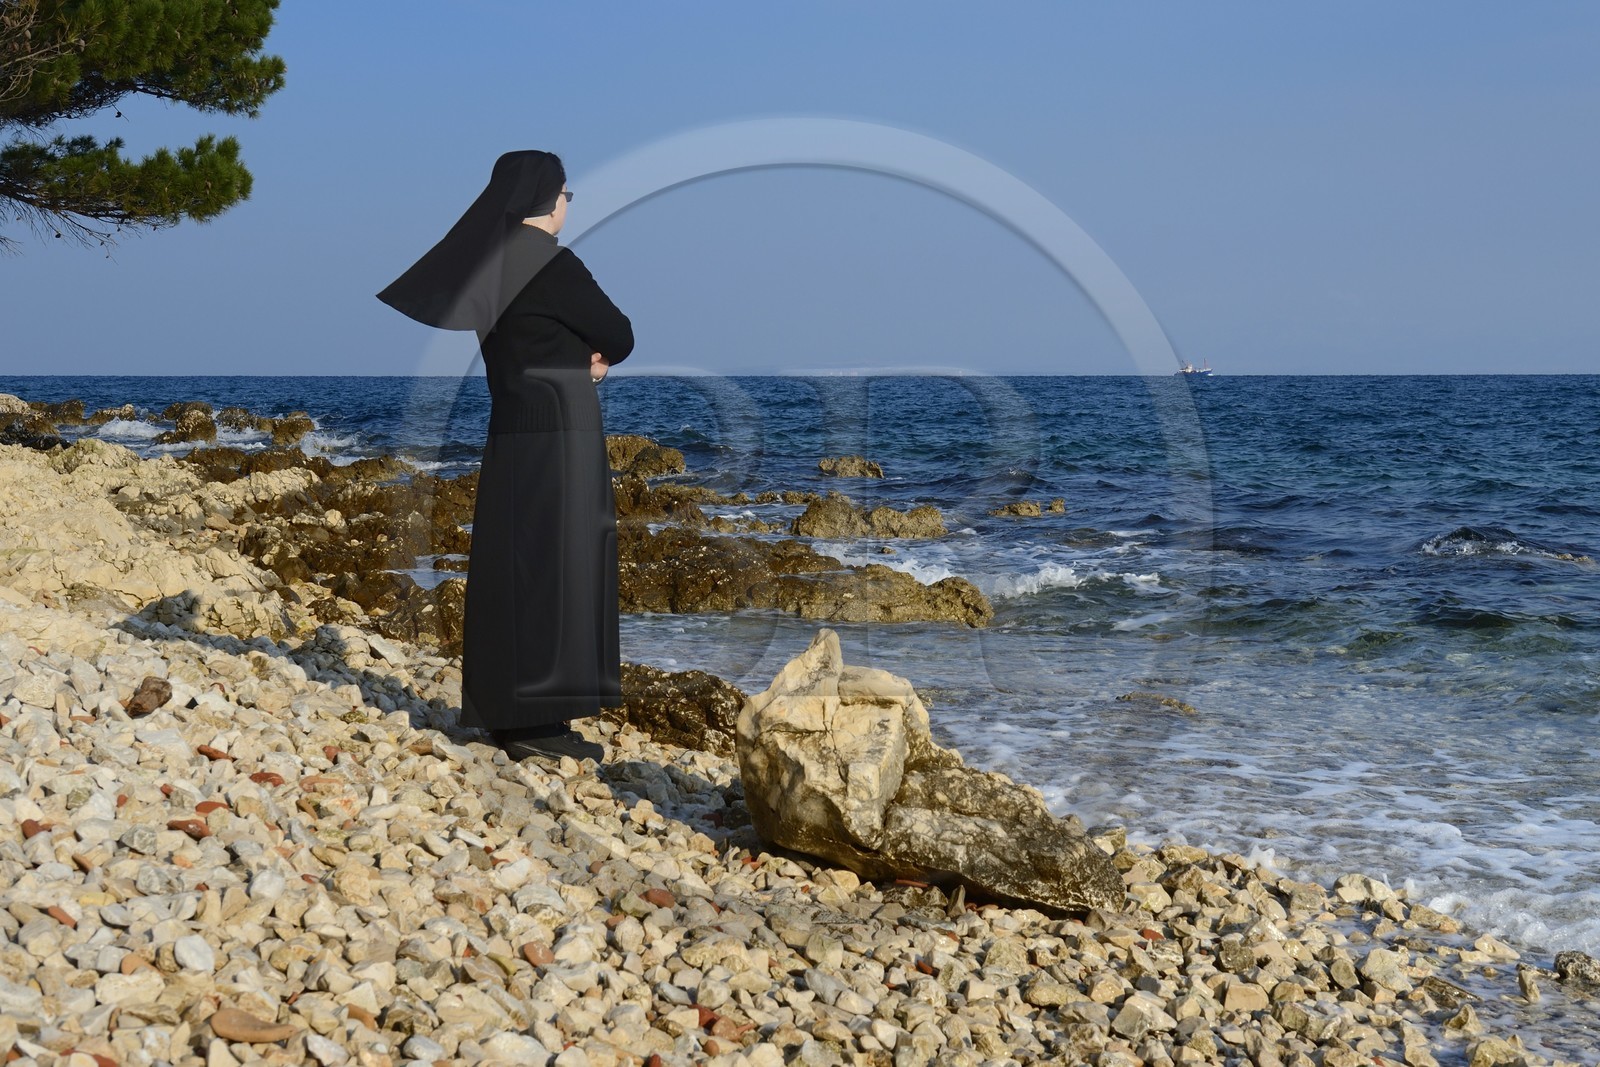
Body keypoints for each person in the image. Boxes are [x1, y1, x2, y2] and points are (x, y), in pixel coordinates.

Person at [376, 150, 634, 762]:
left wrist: (578, 358)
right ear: (549, 198)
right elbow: (619, 334)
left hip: (511, 425)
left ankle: (505, 712)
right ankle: (540, 726)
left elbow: (526, 340)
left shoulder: (488, 264)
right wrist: (590, 362)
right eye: (568, 193)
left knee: (512, 564)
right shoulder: (551, 261)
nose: (569, 204)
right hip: (562, 430)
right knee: (561, 565)